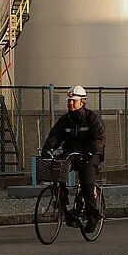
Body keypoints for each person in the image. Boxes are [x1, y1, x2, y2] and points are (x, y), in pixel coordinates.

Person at [42, 85, 106, 231]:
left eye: (74, 101)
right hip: (71, 153)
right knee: (57, 170)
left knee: (87, 183)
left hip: (91, 155)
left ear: (82, 102)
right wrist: (48, 148)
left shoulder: (92, 119)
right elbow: (55, 136)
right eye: (69, 100)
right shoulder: (65, 120)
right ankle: (65, 208)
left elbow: (99, 138)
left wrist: (90, 152)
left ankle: (92, 216)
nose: (70, 103)